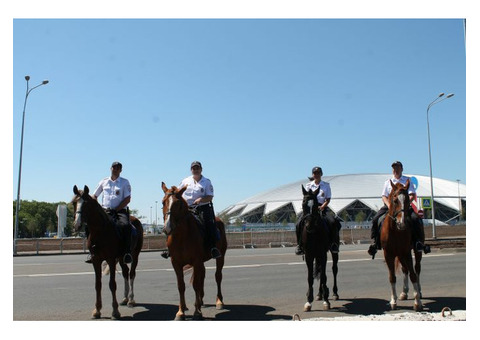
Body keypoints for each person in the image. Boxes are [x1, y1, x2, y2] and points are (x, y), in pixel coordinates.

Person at [367, 161, 431, 258]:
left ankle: (419, 243)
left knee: (416, 219)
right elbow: (384, 196)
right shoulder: (388, 182)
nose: (395, 170)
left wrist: (405, 204)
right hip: (390, 206)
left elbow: (412, 195)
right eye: (394, 168)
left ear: (402, 169)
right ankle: (375, 243)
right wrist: (389, 205)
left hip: (404, 206)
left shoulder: (407, 180)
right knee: (376, 219)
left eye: (397, 168)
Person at [161, 161, 221, 260]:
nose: (195, 170)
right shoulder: (185, 181)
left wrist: (201, 199)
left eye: (197, 168)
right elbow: (177, 192)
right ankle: (170, 248)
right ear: (191, 170)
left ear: (201, 169)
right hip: (187, 208)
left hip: (202, 208)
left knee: (209, 224)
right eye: (193, 168)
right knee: (171, 223)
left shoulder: (206, 182)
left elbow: (210, 197)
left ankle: (213, 248)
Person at [87, 161, 133, 264]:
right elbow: (94, 196)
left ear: (120, 170)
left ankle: (127, 253)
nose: (115, 169)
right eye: (113, 167)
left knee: (126, 226)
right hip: (105, 211)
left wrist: (116, 209)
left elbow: (127, 199)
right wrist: (97, 207)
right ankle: (92, 252)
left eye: (117, 168)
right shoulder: (103, 181)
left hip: (120, 211)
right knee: (89, 226)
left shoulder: (125, 182)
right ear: (110, 168)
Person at [295, 166, 341, 256]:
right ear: (312, 174)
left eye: (318, 173)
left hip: (321, 207)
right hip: (310, 209)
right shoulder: (308, 185)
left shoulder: (326, 185)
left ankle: (334, 243)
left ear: (321, 174)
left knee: (333, 221)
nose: (316, 175)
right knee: (298, 224)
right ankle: (299, 245)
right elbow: (306, 197)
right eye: (315, 173)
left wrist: (322, 206)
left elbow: (327, 199)